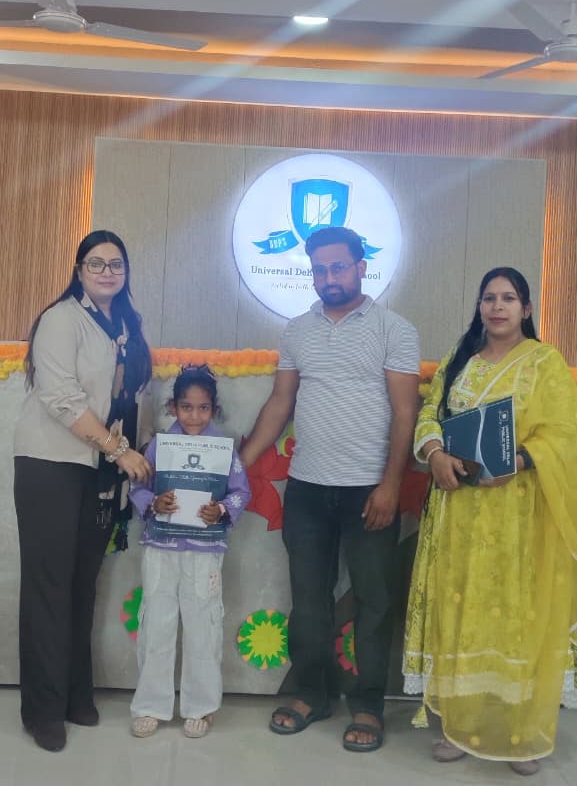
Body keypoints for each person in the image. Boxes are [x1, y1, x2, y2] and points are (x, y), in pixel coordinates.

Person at [241, 226, 420, 752]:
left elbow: (405, 413)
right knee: (310, 600)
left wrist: (390, 485)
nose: (328, 277)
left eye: (338, 267)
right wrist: (237, 465)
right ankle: (312, 694)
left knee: (374, 602)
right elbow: (281, 402)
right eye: (319, 269)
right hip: (308, 490)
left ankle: (367, 705)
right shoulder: (298, 329)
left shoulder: (394, 329)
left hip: (370, 491)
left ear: (361, 267)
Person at [403, 266, 577, 776]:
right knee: (463, 612)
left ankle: (521, 731)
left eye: (508, 298)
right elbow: (430, 414)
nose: (497, 307)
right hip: (459, 512)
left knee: (516, 616)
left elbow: (565, 434)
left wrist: (519, 460)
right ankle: (460, 724)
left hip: (520, 514)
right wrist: (434, 454)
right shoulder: (461, 361)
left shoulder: (545, 363)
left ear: (526, 308)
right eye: (488, 298)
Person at [14, 230, 152, 753]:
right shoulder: (61, 319)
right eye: (96, 263)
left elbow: (129, 396)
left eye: (116, 264)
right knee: (49, 586)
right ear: (78, 270)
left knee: (81, 584)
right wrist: (120, 451)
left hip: (99, 470)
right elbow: (61, 397)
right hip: (50, 463)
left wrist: (124, 455)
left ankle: (75, 693)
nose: (107, 272)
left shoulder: (126, 324)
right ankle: (43, 710)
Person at [129, 365, 250, 738]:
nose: (194, 416)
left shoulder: (223, 450)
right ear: (173, 407)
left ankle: (201, 707)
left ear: (213, 409)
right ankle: (151, 705)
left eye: (202, 408)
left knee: (203, 627)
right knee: (156, 624)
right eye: (186, 407)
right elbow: (139, 487)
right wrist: (154, 503)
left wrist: (222, 510)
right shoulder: (160, 446)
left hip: (204, 549)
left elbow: (240, 491)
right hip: (161, 547)